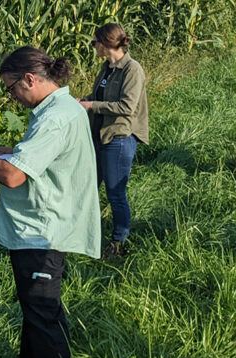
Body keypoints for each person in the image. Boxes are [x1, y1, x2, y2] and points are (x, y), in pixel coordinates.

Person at [0, 47, 100, 358]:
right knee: (33, 307)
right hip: (38, 225)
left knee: (43, 310)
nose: (12, 96)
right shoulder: (56, 110)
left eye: (11, 88)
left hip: (44, 229)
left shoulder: (55, 117)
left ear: (29, 79)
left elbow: (12, 175)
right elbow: (33, 151)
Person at [79, 23, 149, 258]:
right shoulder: (106, 68)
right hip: (99, 134)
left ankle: (118, 242)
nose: (93, 46)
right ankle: (86, 236)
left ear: (106, 43)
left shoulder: (132, 69)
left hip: (119, 135)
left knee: (115, 193)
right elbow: (99, 96)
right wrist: (84, 100)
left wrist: (91, 106)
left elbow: (127, 107)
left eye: (95, 42)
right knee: (89, 187)